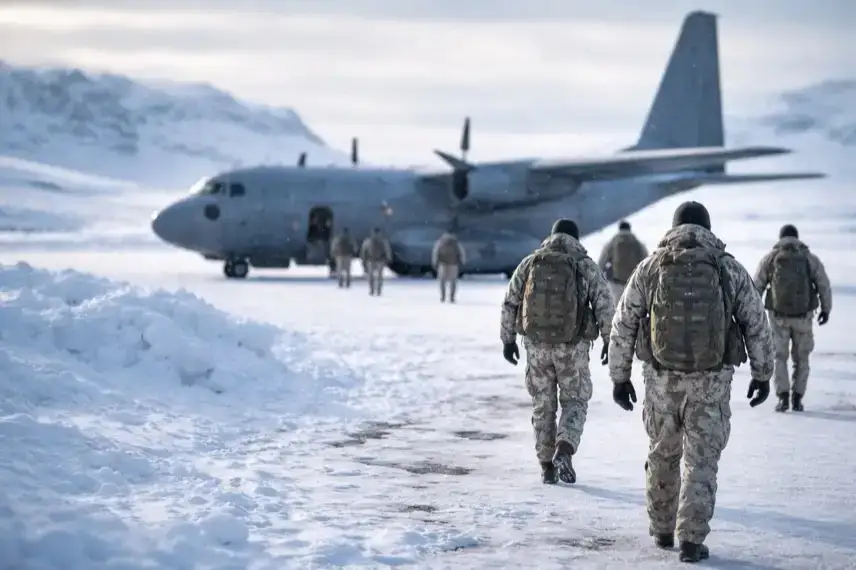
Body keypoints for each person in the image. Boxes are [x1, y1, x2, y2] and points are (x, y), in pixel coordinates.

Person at [608, 201, 774, 563]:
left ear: (674, 227)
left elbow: (624, 323)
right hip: (711, 381)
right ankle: (691, 540)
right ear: (708, 229)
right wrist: (763, 374)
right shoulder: (726, 267)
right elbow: (756, 324)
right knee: (701, 462)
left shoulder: (650, 267)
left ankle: (663, 530)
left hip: (661, 379)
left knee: (663, 452)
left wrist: (620, 378)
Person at [500, 219, 614, 486]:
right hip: (572, 346)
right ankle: (564, 448)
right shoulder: (584, 264)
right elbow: (604, 304)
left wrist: (508, 340)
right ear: (576, 238)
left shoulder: (531, 262)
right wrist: (610, 341)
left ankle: (546, 467)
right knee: (575, 401)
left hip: (536, 346)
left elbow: (510, 301)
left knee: (543, 404)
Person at [752, 224, 832, 412]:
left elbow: (757, 285)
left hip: (778, 318)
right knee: (801, 359)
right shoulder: (808, 258)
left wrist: (753, 311)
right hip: (803, 317)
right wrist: (825, 310)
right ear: (797, 237)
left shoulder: (771, 258)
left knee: (779, 357)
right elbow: (823, 284)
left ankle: (783, 397)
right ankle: (797, 397)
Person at [598, 220, 648, 304]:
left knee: (617, 306)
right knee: (631, 308)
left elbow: (603, 260)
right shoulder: (637, 243)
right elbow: (646, 260)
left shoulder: (613, 241)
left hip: (616, 282)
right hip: (633, 282)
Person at [431, 231, 466, 303]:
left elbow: (435, 252)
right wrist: (462, 261)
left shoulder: (440, 242)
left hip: (443, 264)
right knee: (453, 281)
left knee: (442, 281)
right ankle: (452, 297)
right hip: (453, 264)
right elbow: (461, 252)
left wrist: (435, 262)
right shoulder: (455, 242)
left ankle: (443, 296)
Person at [359, 227, 392, 296]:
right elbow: (387, 250)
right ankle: (376, 290)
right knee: (377, 276)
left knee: (373, 276)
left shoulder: (368, 241)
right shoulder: (382, 241)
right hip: (376, 260)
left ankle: (373, 290)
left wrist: (363, 259)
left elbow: (363, 250)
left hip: (373, 260)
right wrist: (388, 258)